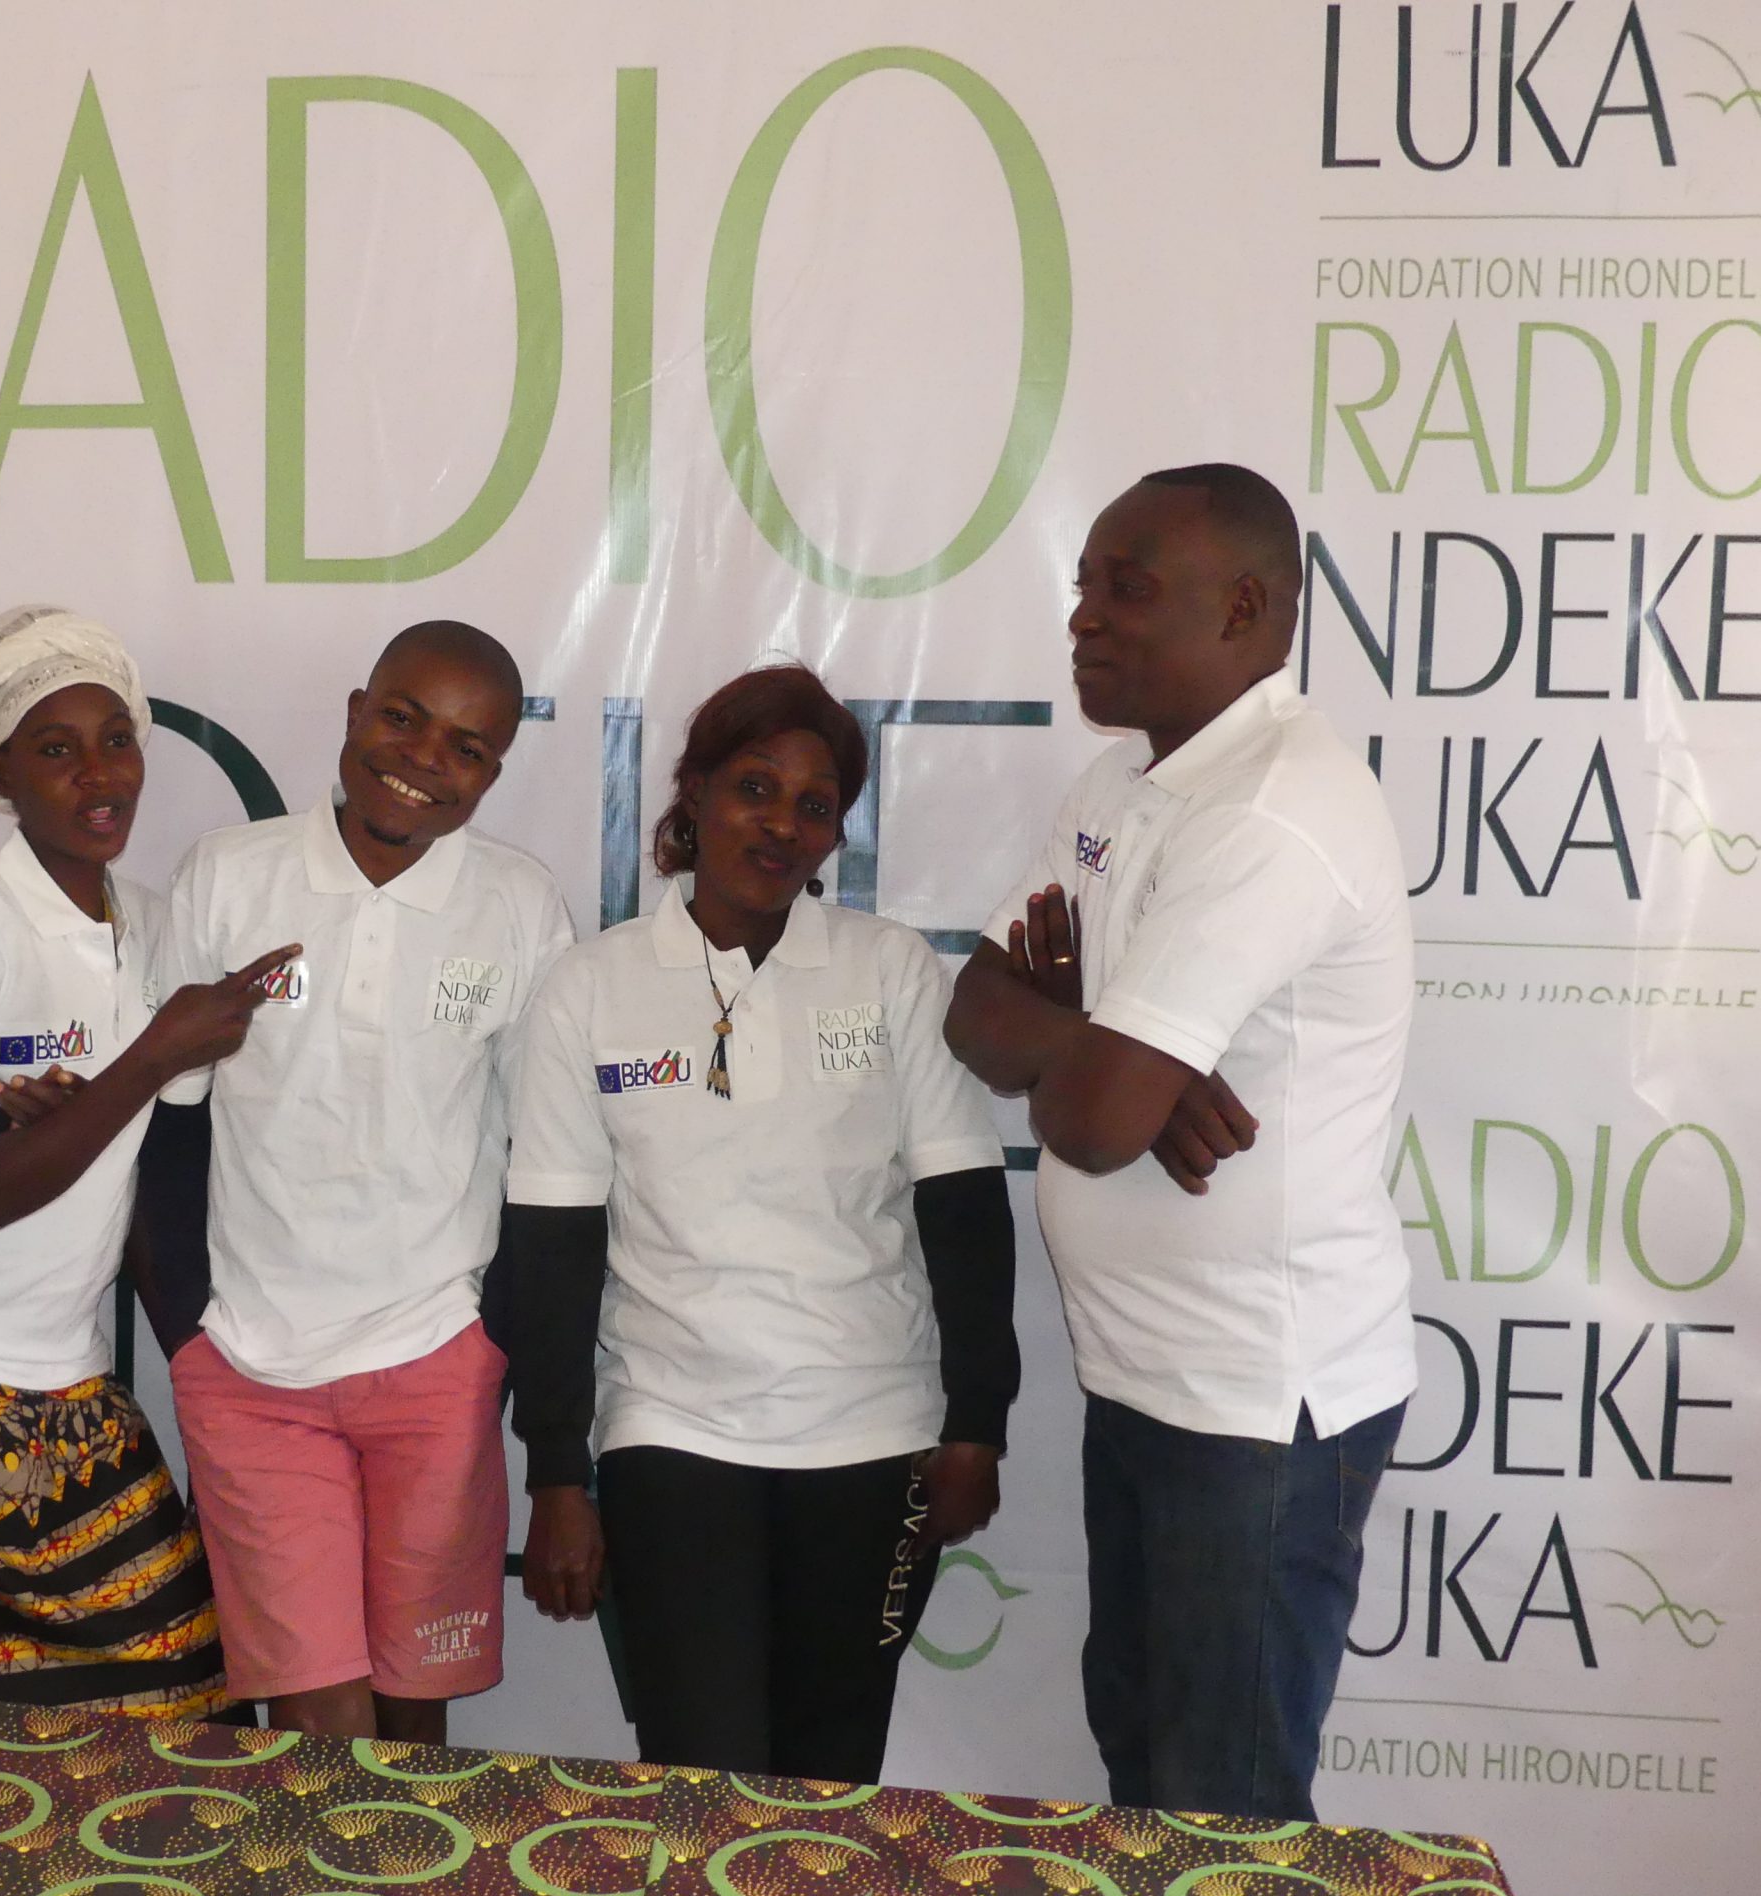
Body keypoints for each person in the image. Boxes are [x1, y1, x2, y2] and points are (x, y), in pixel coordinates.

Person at [944, 464, 1415, 1820]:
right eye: (1084, 584)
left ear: (1247, 608)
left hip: (1259, 1404)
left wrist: (1097, 1054)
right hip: (1152, 1377)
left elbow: (1092, 1127)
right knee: (1148, 1764)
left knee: (1228, 1811)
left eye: (1127, 588)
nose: (1086, 616)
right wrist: (1103, 1038)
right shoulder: (1123, 776)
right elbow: (979, 1011)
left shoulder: (1275, 811)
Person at [502, 664, 1018, 1783]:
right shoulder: (587, 988)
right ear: (690, 793)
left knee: (830, 1780)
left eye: (814, 804)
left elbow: (963, 1210)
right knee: (700, 1778)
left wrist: (978, 1420)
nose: (780, 824)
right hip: (671, 1434)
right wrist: (554, 1471)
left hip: (874, 1435)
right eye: (752, 786)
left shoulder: (888, 974)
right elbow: (550, 1251)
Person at [0, 608, 292, 1715]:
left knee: (182, 1700)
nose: (98, 775)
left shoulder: (160, 925)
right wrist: (148, 1052)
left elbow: (153, 1172)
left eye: (115, 739)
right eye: (56, 749)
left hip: (63, 1382)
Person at [156, 620, 574, 1742]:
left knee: (411, 1710)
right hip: (251, 1364)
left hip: (432, 1354)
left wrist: (490, 1342)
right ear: (353, 713)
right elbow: (169, 1130)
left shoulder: (519, 906)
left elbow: (543, 1161)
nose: (424, 758)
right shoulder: (229, 877)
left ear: (491, 772)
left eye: (467, 747)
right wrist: (191, 1337)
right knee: (312, 1717)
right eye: (401, 719)